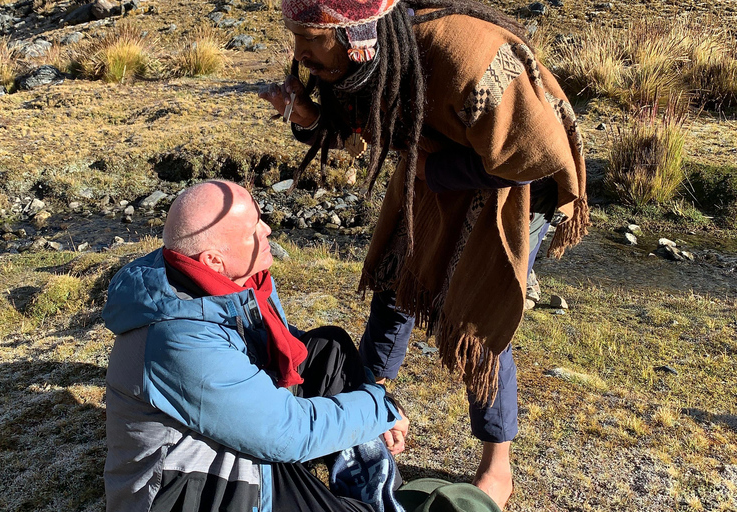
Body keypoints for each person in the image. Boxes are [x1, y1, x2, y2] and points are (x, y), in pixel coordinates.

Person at [258, 0, 589, 508]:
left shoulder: (467, 57)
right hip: (437, 166)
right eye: (296, 39)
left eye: (311, 43)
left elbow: (533, 158)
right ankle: (367, 413)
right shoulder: (360, 64)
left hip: (516, 181)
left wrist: (429, 175)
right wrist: (307, 117)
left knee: (475, 317)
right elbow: (359, 129)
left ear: (357, 38)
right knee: (398, 284)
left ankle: (497, 467)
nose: (301, 56)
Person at [101, 180, 410, 512]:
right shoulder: (177, 339)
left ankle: (373, 485)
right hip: (195, 490)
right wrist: (381, 408)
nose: (268, 229)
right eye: (253, 230)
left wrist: (373, 410)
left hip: (228, 435)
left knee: (329, 351)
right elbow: (289, 432)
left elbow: (267, 342)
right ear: (214, 260)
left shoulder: (234, 279)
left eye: (260, 217)